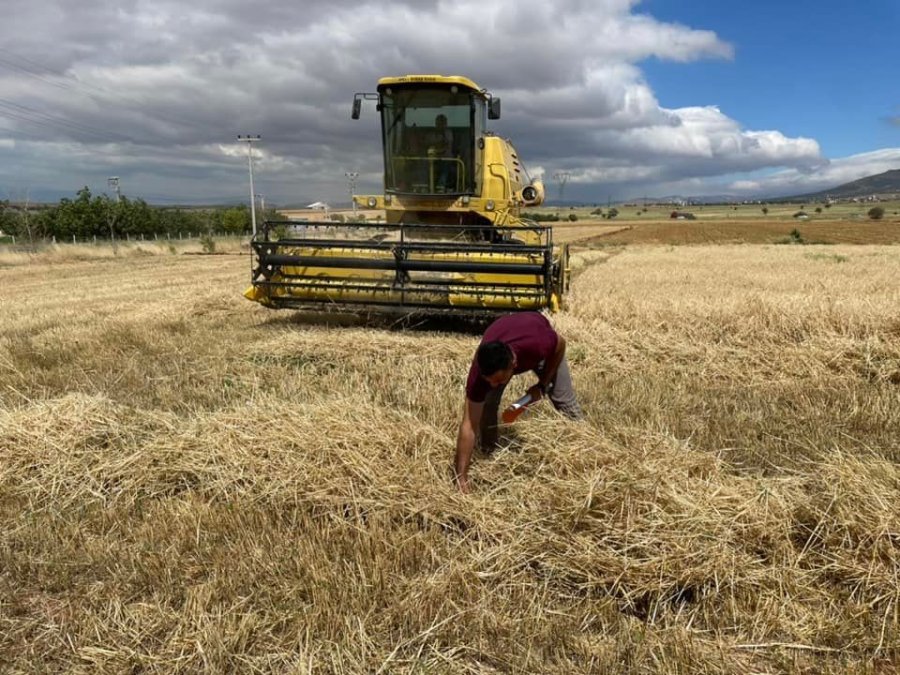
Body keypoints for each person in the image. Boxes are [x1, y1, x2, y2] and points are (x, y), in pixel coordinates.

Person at [454, 312, 583, 493]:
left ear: (514, 365)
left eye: (498, 381)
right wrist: (461, 478)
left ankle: (583, 452)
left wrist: (542, 385)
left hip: (536, 335)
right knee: (488, 404)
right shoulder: (480, 373)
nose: (493, 385)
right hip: (508, 335)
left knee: (564, 401)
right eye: (489, 380)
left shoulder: (539, 344)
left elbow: (560, 344)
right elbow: (469, 424)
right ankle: (489, 449)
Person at [426, 114, 454, 191]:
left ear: (446, 124)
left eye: (443, 123)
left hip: (446, 159)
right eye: (438, 123)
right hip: (431, 159)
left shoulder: (448, 133)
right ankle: (426, 187)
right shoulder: (431, 134)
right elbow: (427, 145)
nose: (440, 125)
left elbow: (446, 146)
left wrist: (437, 150)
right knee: (423, 166)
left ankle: (440, 187)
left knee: (445, 168)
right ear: (435, 123)